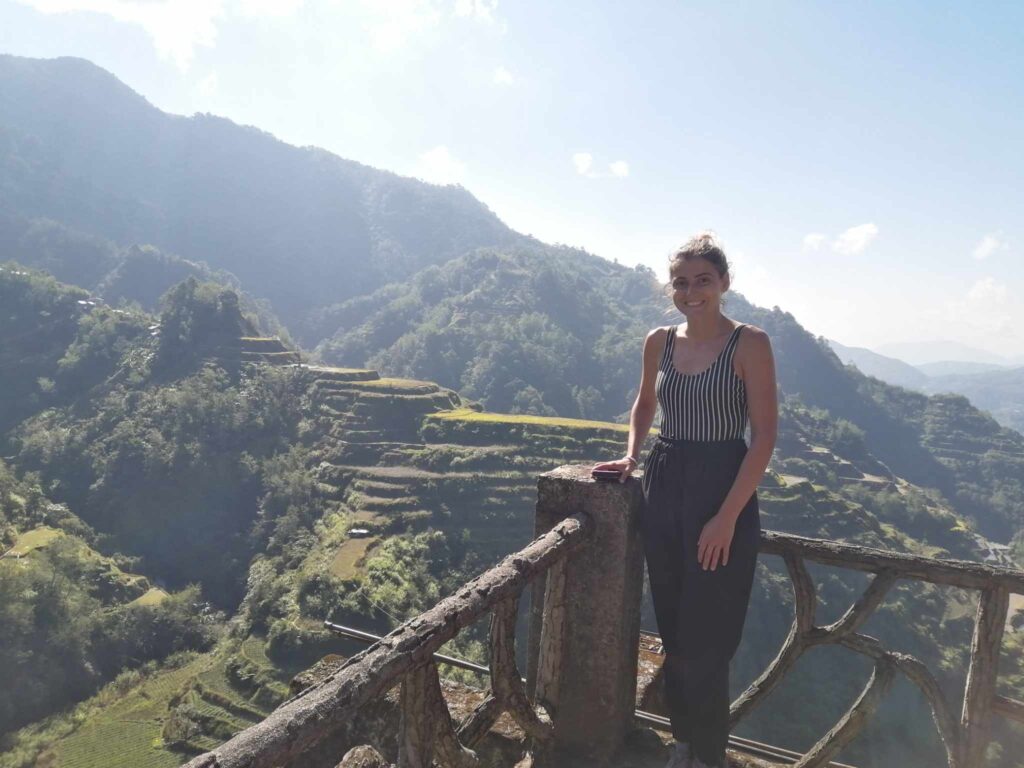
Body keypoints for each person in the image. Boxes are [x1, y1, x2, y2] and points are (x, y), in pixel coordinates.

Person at [592, 232, 777, 768]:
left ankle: (709, 755)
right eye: (680, 282)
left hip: (723, 483)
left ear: (723, 283)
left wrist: (726, 518)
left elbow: (763, 436)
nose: (691, 291)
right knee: (674, 630)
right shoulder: (660, 340)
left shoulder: (750, 343)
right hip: (666, 479)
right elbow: (645, 402)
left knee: (708, 640)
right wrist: (631, 456)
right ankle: (683, 744)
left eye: (702, 281)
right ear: (669, 288)